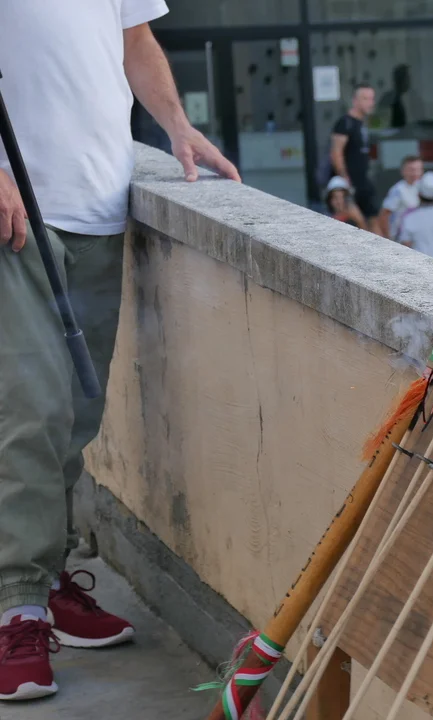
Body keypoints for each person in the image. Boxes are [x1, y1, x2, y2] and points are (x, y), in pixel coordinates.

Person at [0, 0, 240, 703]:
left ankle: (46, 578)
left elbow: (136, 41)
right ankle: (16, 609)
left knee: (76, 416)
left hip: (99, 210)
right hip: (18, 215)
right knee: (31, 413)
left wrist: (177, 125)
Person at [330, 84, 379, 232]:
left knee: (373, 220)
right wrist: (344, 180)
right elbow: (336, 152)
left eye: (371, 99)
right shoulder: (346, 123)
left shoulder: (362, 123)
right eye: (365, 99)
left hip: (363, 182)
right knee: (358, 223)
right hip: (350, 184)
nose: (370, 103)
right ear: (355, 101)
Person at [379, 155, 423, 242]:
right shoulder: (398, 190)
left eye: (418, 169)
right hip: (401, 238)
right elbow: (384, 215)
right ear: (403, 171)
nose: (415, 173)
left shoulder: (422, 187)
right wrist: (388, 239)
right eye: (411, 170)